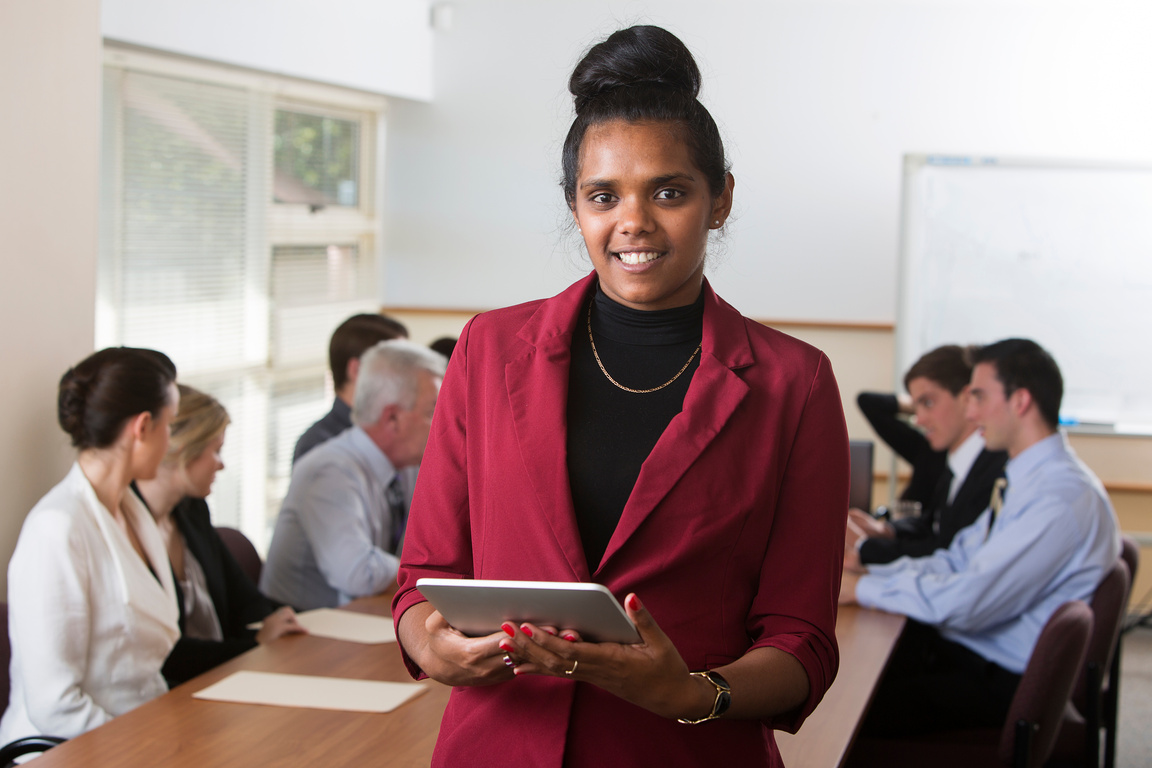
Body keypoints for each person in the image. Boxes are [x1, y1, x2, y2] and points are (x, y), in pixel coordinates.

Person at [392, 25, 849, 767]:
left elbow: (802, 638)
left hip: (681, 752)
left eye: (669, 191)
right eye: (604, 195)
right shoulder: (488, 349)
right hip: (498, 745)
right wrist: (430, 645)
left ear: (720, 198)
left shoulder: (794, 383)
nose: (633, 222)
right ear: (575, 206)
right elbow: (421, 579)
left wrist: (696, 692)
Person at [840, 338, 1120, 737]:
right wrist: (866, 577)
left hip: (1002, 681)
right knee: (853, 664)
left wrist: (865, 587)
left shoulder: (1057, 499)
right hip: (983, 652)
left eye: (979, 396)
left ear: (1020, 401)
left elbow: (970, 602)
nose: (971, 412)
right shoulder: (1029, 480)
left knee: (850, 700)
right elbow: (957, 556)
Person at [0, 348, 181, 745]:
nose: (171, 441)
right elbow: (54, 706)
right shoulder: (56, 529)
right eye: (171, 424)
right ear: (143, 426)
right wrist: (144, 747)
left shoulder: (132, 511)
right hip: (73, 751)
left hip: (141, 736)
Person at [133, 385, 306, 687]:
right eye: (215, 451)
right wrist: (255, 645)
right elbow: (168, 655)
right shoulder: (127, 529)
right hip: (173, 694)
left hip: (222, 683)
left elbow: (246, 599)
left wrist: (282, 618)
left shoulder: (191, 511)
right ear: (182, 449)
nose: (221, 464)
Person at [261, 340, 446, 611]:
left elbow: (431, 543)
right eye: (432, 412)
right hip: (299, 634)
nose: (442, 424)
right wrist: (427, 571)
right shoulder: (329, 471)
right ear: (392, 418)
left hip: (360, 619)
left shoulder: (406, 466)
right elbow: (359, 574)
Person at [845, 345, 1007, 567]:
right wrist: (886, 530)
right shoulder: (951, 459)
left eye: (928, 403)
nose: (918, 419)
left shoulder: (995, 469)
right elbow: (932, 524)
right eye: (915, 406)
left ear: (967, 397)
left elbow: (947, 550)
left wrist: (864, 547)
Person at [292, 312, 409, 465]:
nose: (407, 375)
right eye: (398, 365)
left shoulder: (396, 434)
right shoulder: (319, 446)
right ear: (357, 370)